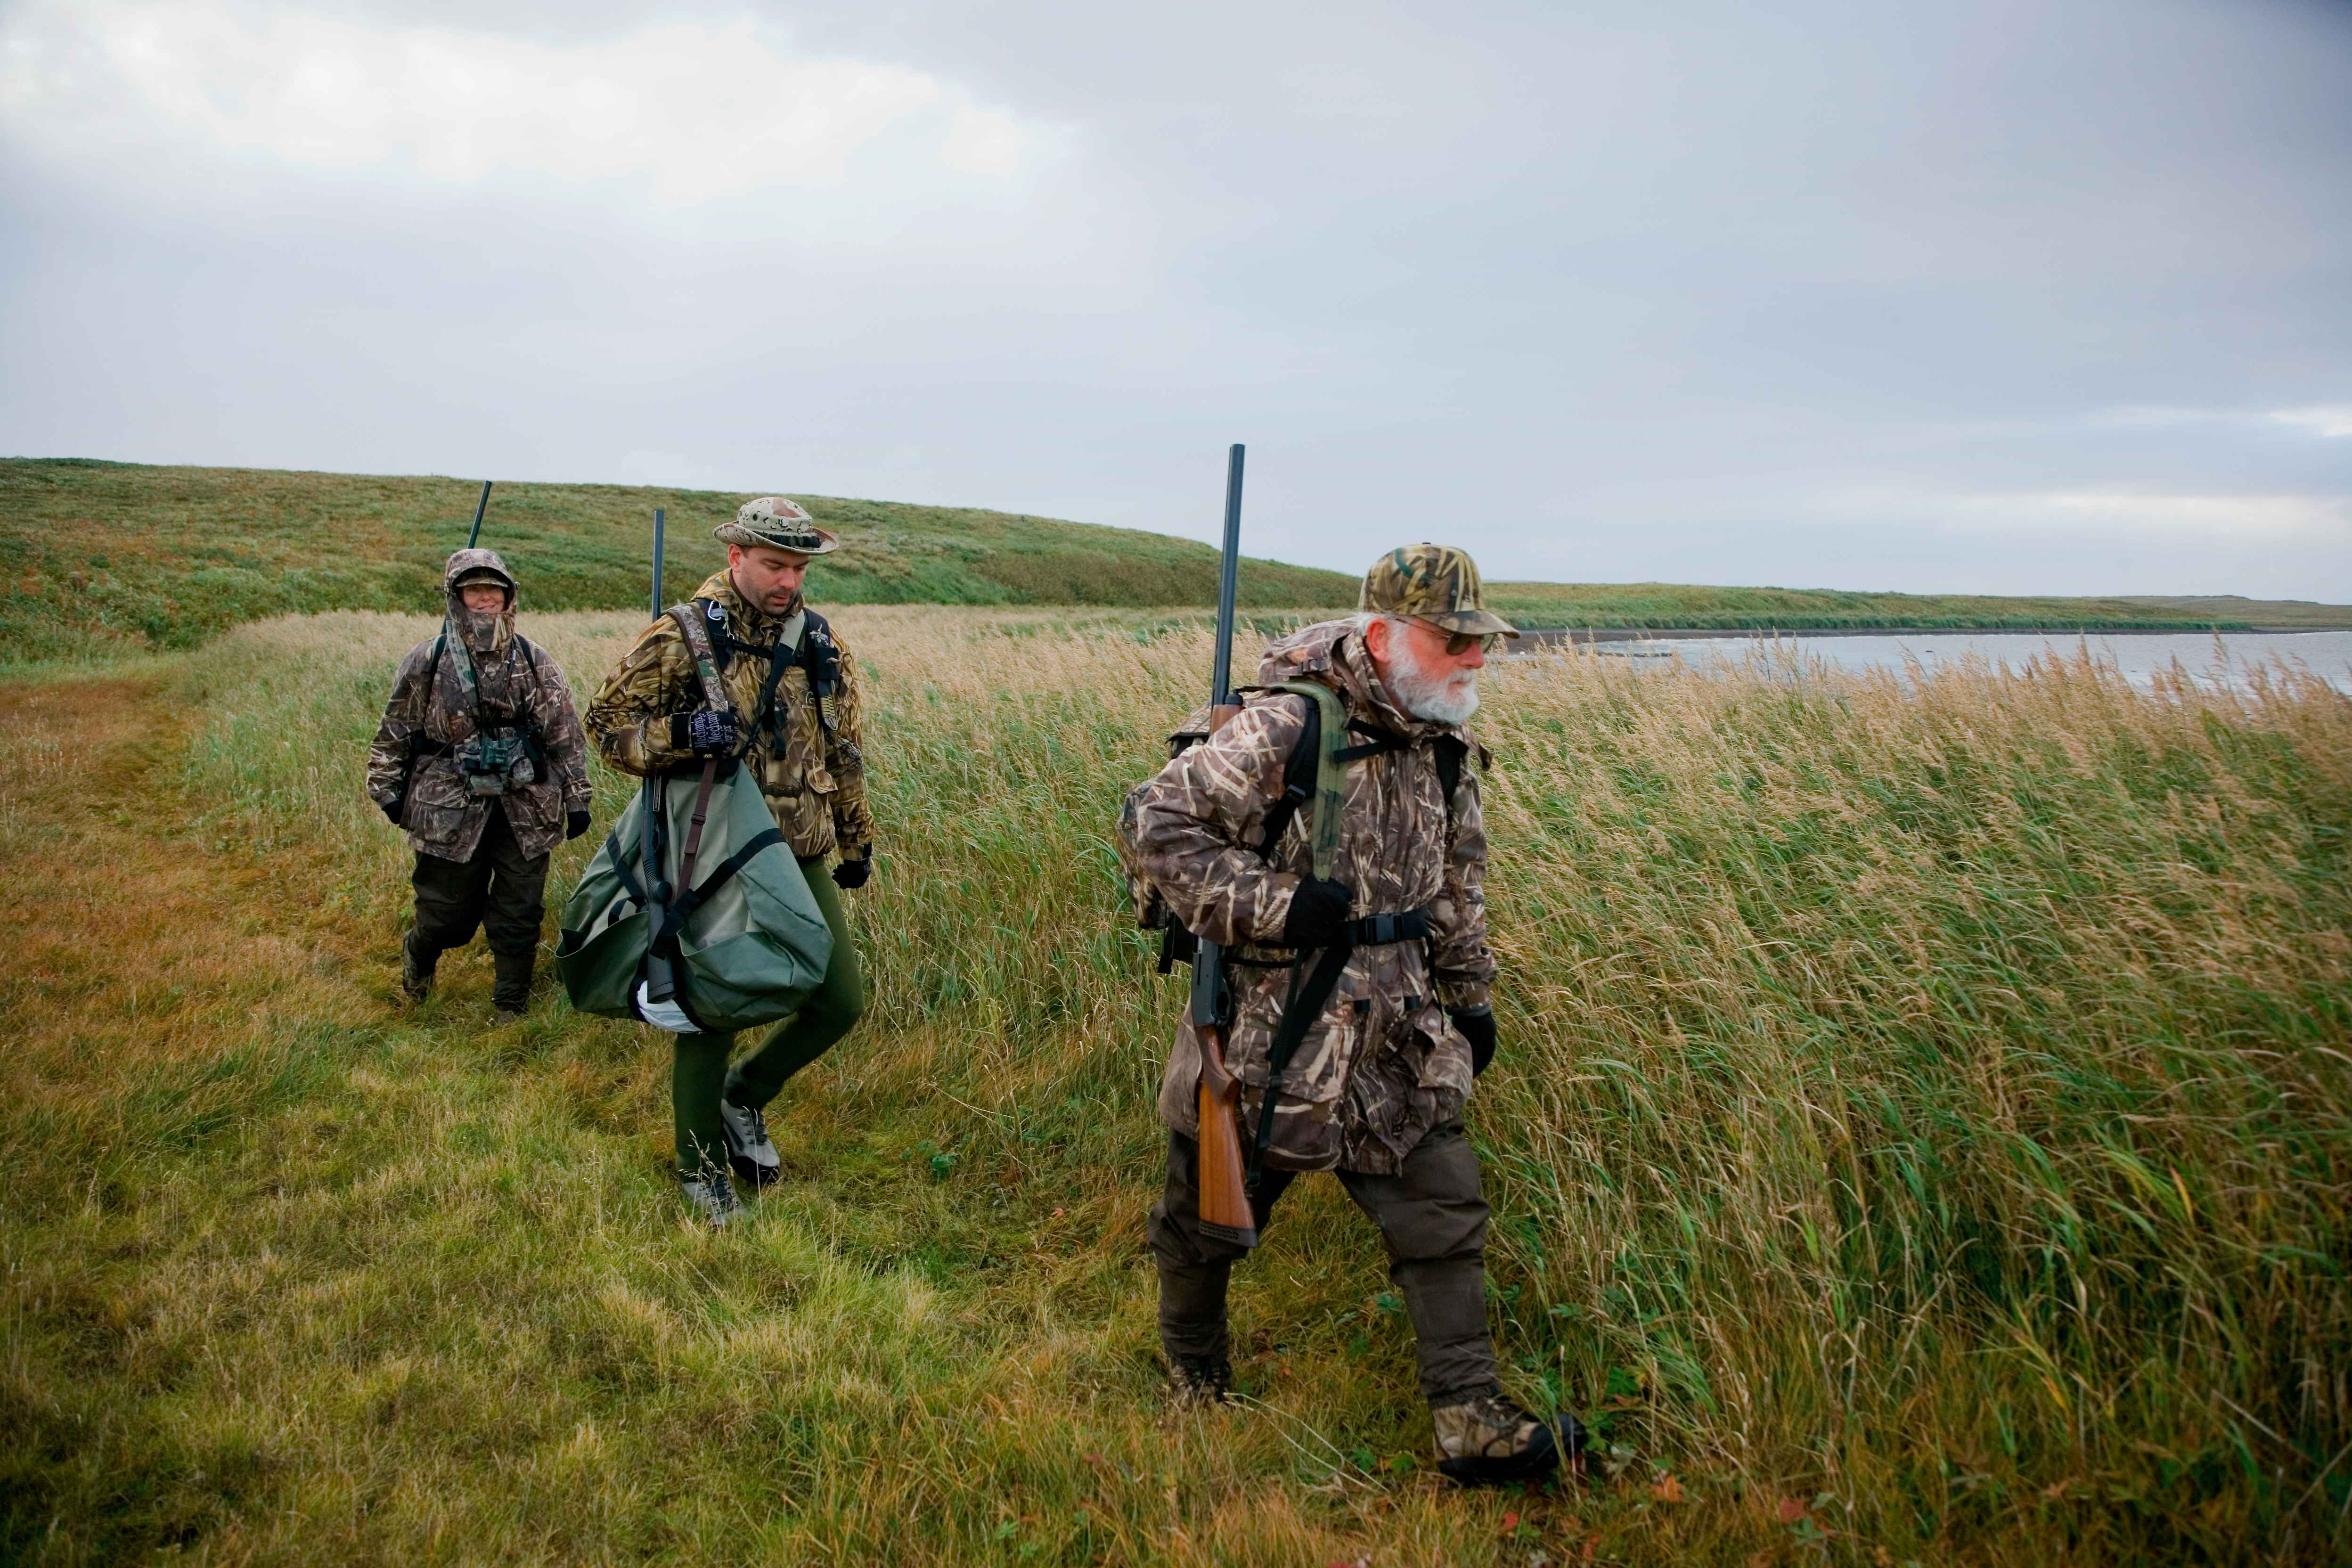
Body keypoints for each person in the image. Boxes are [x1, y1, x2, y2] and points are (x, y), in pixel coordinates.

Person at [1122, 542, 1582, 1486]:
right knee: (1205, 1218)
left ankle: (1470, 1419)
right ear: (1384, 633)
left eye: (1480, 640)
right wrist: (1276, 904)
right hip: (1276, 1031)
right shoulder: (1291, 725)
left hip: (1401, 1030)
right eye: (1455, 640)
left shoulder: (1442, 742)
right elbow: (1155, 822)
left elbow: (1460, 883)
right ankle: (1195, 1371)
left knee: (1443, 1210)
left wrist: (1472, 997)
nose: (1474, 659)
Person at [585, 496, 874, 1226]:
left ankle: (743, 1097)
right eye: (775, 565)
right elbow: (608, 727)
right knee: (712, 1006)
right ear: (736, 557)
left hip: (798, 843)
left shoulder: (818, 638)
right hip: (713, 847)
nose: (788, 580)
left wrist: (855, 839)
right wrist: (684, 731)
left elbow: (843, 749)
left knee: (839, 1001)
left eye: (799, 566)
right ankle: (701, 1169)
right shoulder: (684, 634)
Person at [366, 548, 593, 1021]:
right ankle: (419, 954)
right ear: (456, 597)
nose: (485, 599)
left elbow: (565, 736)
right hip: (447, 808)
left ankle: (510, 1006)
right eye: (474, 590)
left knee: (519, 913)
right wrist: (387, 790)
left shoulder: (535, 661)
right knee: (447, 915)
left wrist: (577, 798)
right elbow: (396, 729)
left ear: (509, 597)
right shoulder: (428, 661)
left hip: (527, 807)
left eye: (494, 589)